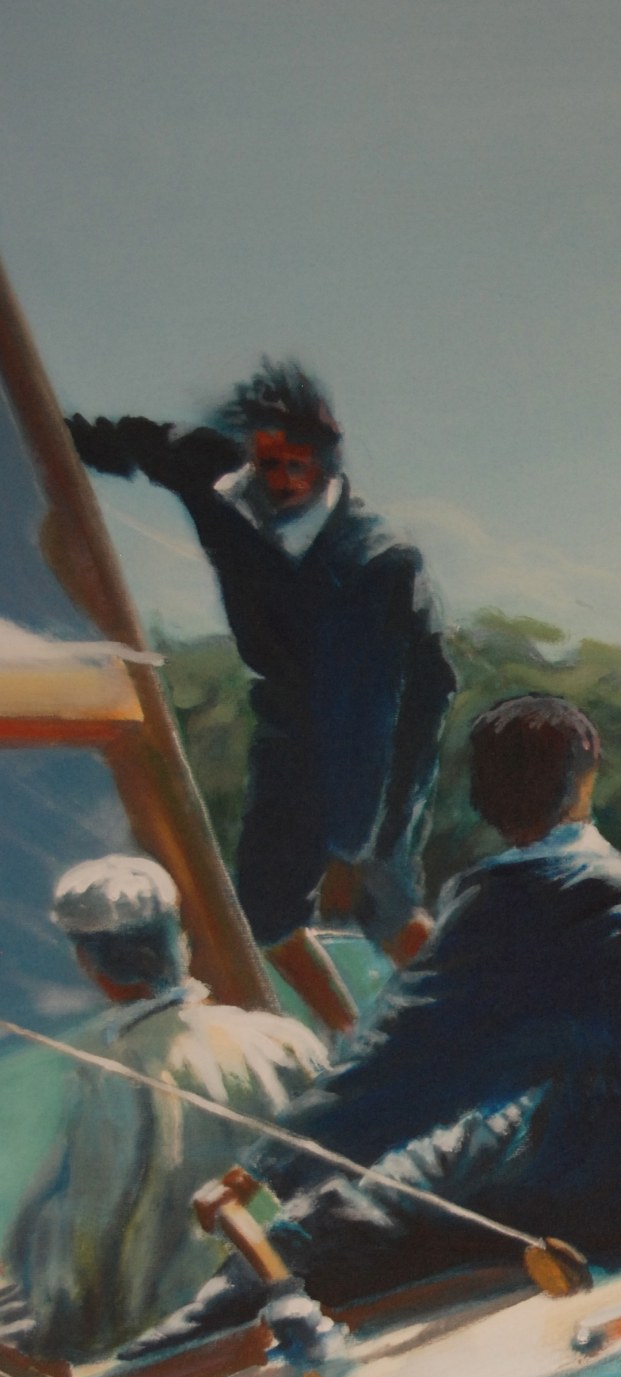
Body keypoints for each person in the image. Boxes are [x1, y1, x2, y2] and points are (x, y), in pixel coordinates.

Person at [127, 695, 621, 1352]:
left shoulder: (509, 900)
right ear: (587, 779)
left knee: (353, 1210)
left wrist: (261, 1169)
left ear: (483, 795)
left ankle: (167, 1353)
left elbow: (395, 1062)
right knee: (449, 1150)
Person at [65, 361, 457, 1034]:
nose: (277, 480)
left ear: (326, 464)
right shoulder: (215, 475)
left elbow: (362, 716)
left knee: (382, 901)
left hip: (391, 730)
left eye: (295, 466)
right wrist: (48, 437)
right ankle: (351, 1039)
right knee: (267, 911)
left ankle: (460, 1026)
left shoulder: (376, 563)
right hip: (291, 711)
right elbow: (138, 444)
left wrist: (348, 848)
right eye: (267, 462)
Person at [2, 856, 327, 1364]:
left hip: (186, 1331)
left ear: (89, 964)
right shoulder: (286, 1040)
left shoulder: (111, 1078)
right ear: (180, 942)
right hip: (307, 1283)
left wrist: (45, 1318)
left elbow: (94, 1239)